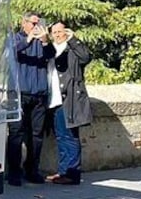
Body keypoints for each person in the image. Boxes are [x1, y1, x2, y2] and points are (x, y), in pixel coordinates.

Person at [6, 11, 55, 186]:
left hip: (39, 94)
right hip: (19, 93)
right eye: (33, 23)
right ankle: (13, 172)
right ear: (24, 23)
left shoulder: (42, 42)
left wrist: (44, 40)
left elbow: (51, 55)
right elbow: (11, 52)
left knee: (36, 135)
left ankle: (32, 170)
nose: (36, 27)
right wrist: (28, 40)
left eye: (38, 23)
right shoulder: (14, 38)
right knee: (16, 134)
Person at [45, 22, 92, 185]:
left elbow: (86, 57)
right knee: (61, 136)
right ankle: (63, 171)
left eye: (60, 31)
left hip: (70, 100)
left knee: (70, 137)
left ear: (66, 32)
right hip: (54, 100)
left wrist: (73, 39)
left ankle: (72, 174)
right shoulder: (51, 49)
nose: (58, 35)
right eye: (54, 32)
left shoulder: (73, 49)